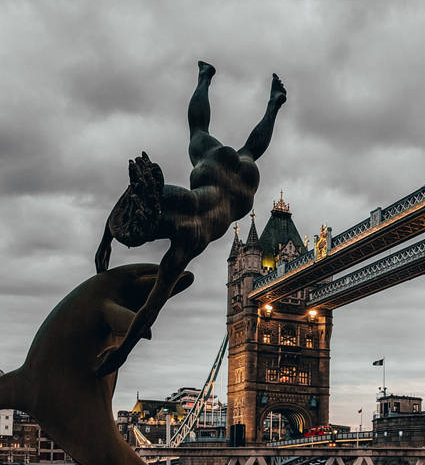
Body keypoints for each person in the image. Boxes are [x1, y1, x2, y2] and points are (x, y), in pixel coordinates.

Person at [94, 62, 286, 376]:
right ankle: (209, 78)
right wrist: (106, 240)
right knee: (200, 132)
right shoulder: (174, 197)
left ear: (154, 235)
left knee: (248, 149)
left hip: (242, 191)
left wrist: (121, 353)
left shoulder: (187, 245)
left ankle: (271, 103)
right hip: (216, 169)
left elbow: (149, 311)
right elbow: (138, 195)